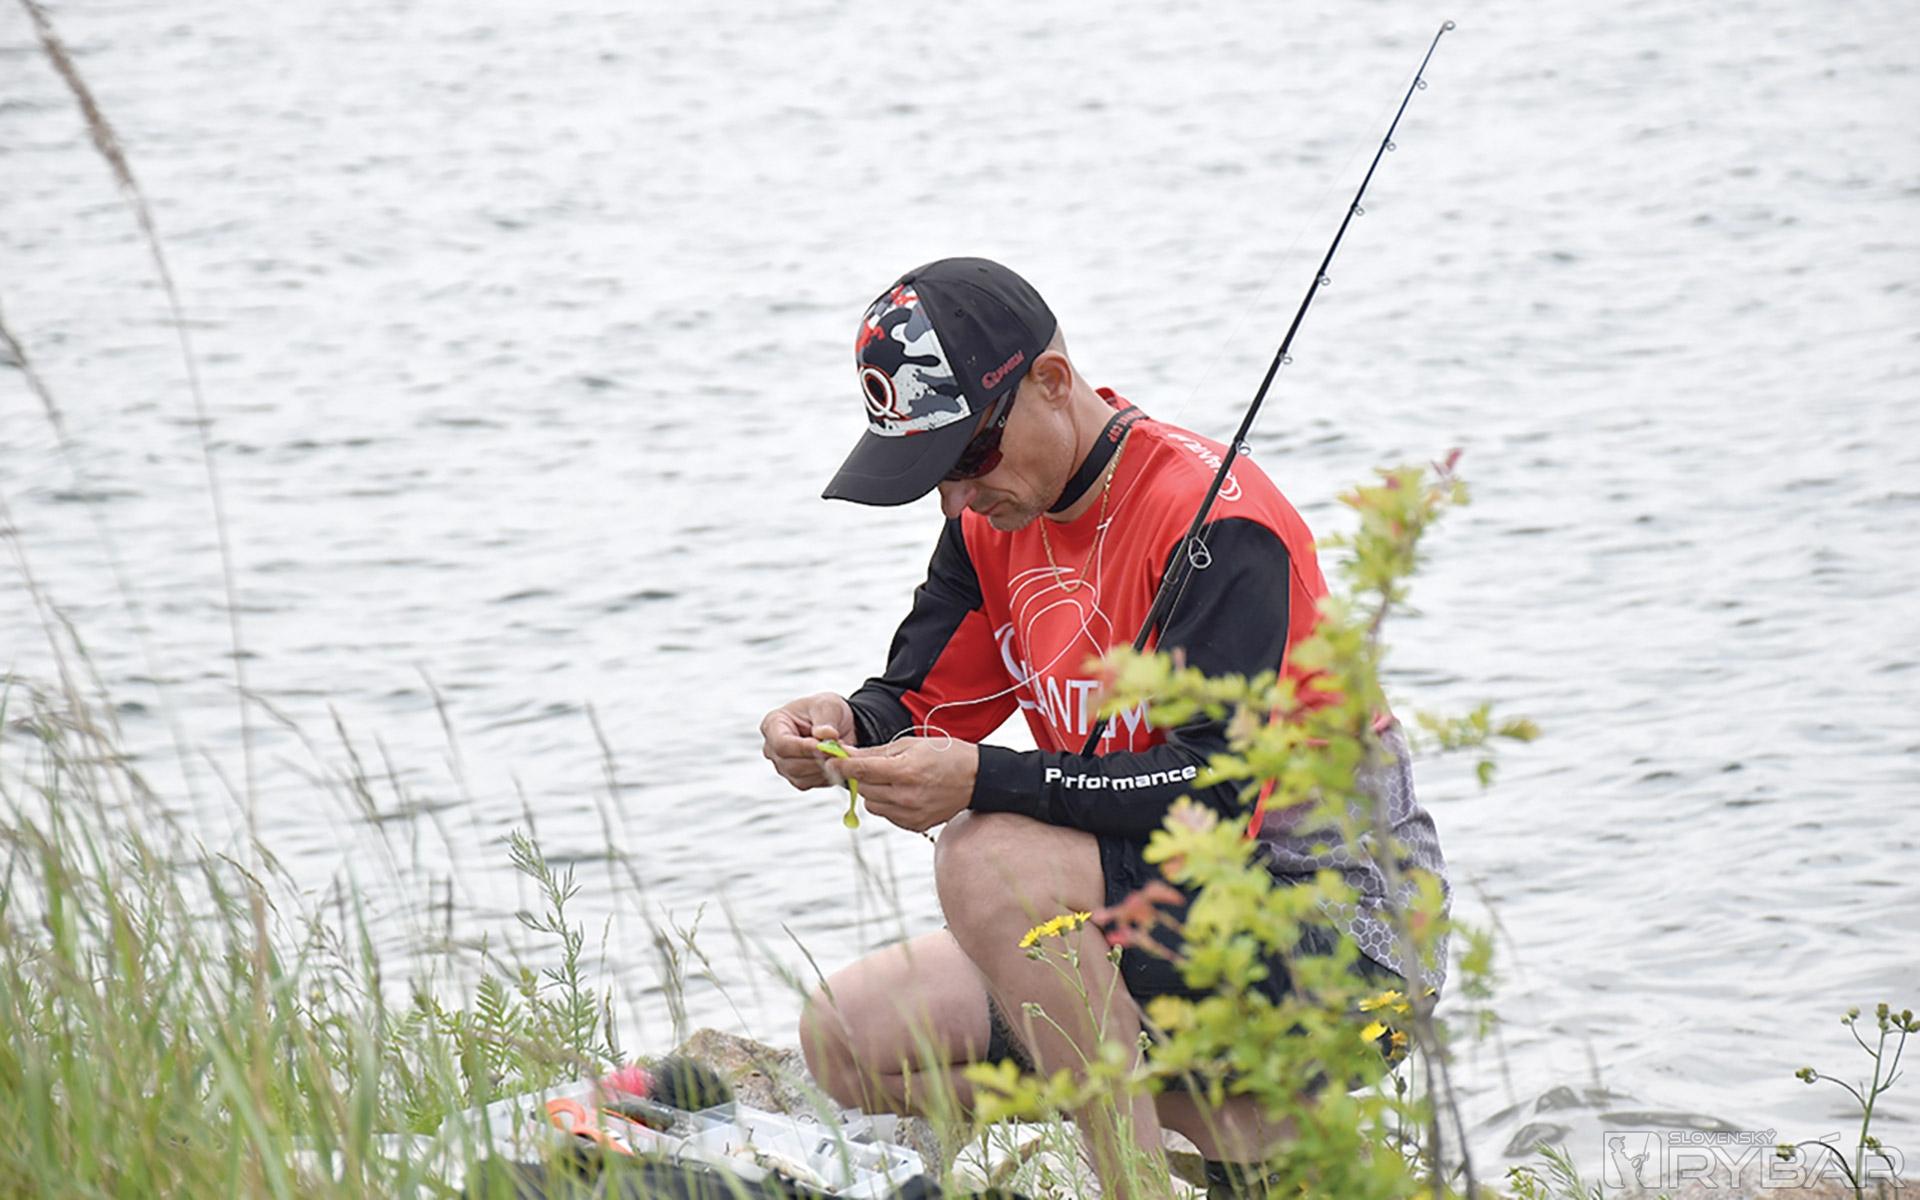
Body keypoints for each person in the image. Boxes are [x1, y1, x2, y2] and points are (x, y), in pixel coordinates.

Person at [758, 257, 1449, 1199]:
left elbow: (1216, 795)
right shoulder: (990, 526)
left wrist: (985, 780)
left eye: (965, 457)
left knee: (987, 856)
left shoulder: (1216, 520)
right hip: (1159, 914)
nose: (954, 498)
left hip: (1341, 934)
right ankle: (1241, 1131)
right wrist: (843, 728)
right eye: (931, 472)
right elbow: (916, 700)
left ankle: (1148, 1174)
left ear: (1050, 381)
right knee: (848, 1038)